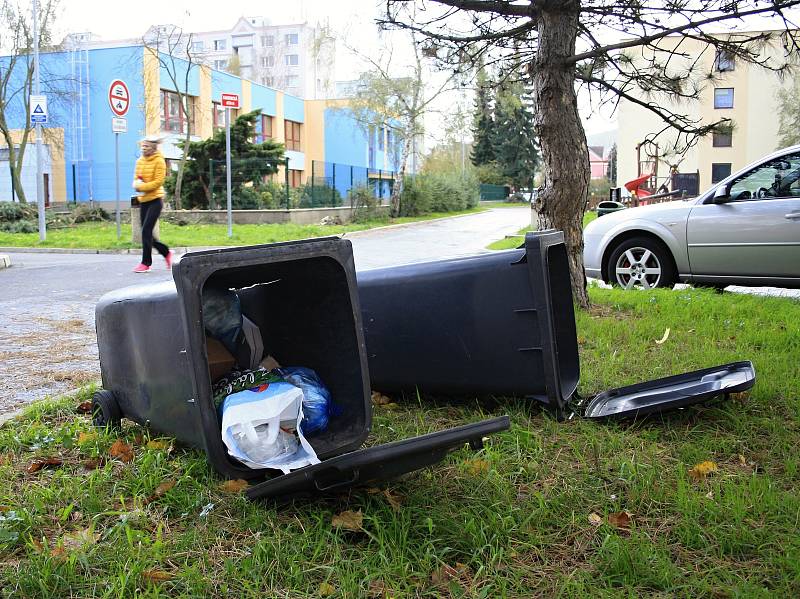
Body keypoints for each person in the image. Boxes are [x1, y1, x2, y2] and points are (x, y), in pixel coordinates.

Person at [132, 135, 173, 273]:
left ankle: (146, 263)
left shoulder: (159, 161)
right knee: (147, 232)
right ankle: (166, 253)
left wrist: (141, 187)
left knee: (146, 231)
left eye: (147, 146)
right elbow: (137, 178)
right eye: (142, 146)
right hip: (143, 200)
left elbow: (158, 182)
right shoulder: (139, 161)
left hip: (156, 200)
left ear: (153, 148)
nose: (144, 149)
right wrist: (137, 184)